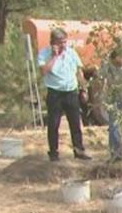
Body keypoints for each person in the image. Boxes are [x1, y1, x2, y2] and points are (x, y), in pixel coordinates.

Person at [37, 28, 91, 161]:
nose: (63, 45)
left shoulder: (71, 53)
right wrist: (55, 56)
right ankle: (54, 152)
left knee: (75, 123)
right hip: (55, 93)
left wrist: (83, 89)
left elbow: (79, 72)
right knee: (54, 124)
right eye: (60, 42)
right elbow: (44, 71)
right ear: (53, 42)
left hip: (71, 92)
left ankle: (79, 151)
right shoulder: (44, 54)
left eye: (65, 42)